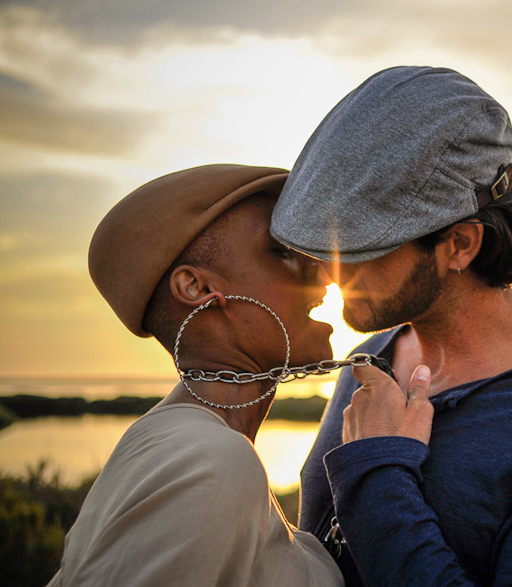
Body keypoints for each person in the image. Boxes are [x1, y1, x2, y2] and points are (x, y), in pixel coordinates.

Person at [272, 66, 512, 586]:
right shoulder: (371, 359)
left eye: (365, 250)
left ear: (460, 245)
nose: (333, 271)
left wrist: (376, 471)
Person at [49, 165, 345, 586]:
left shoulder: (181, 445)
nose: (325, 274)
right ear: (197, 288)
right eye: (282, 252)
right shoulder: (209, 459)